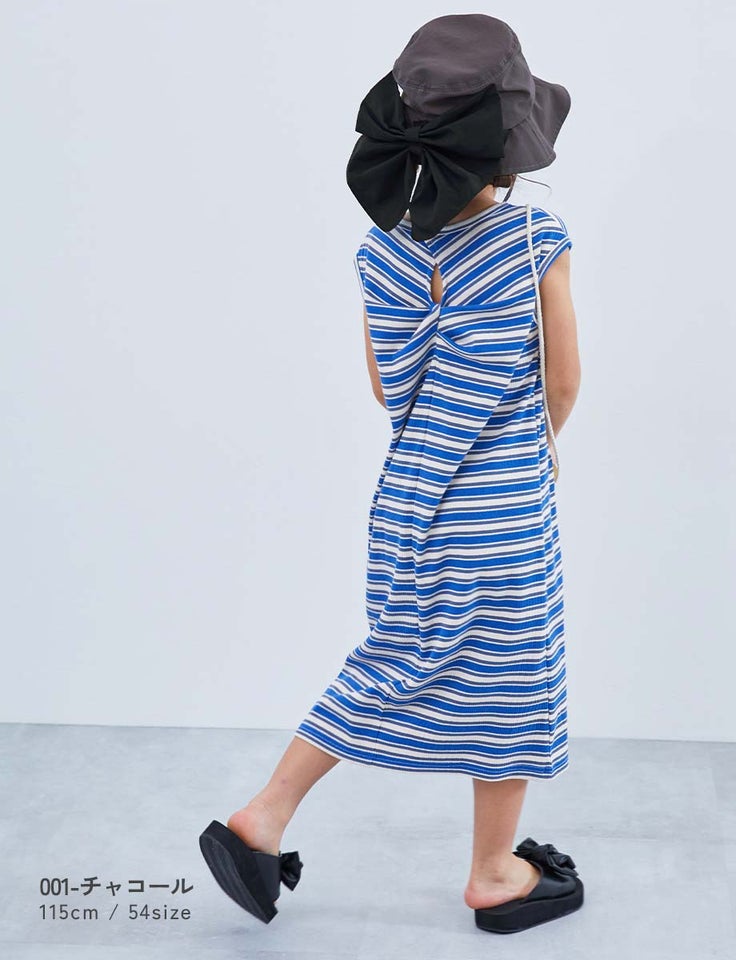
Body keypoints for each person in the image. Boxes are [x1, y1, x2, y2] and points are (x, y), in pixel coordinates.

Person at [200, 13, 583, 936]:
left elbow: (386, 389)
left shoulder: (380, 250)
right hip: (499, 505)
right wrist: (526, 449)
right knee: (512, 679)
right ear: (510, 146)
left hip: (407, 500)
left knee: (394, 654)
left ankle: (263, 816)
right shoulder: (533, 239)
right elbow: (563, 384)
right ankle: (494, 872)